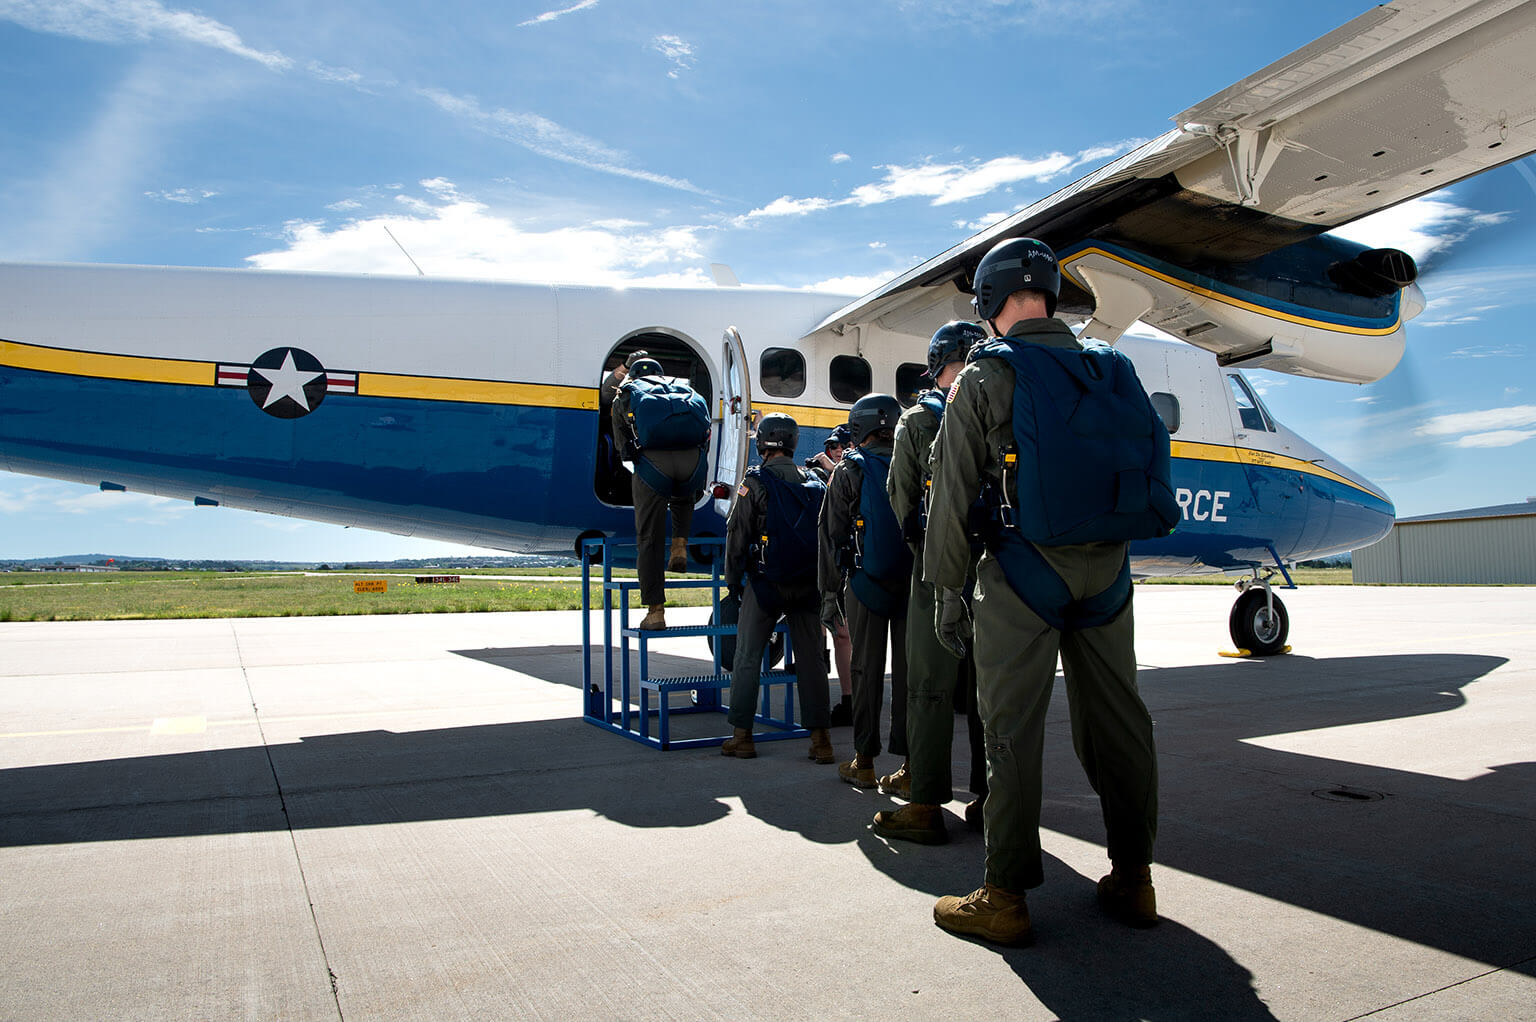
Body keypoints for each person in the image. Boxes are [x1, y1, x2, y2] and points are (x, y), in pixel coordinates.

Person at [925, 237, 1163, 946]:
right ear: (1051, 299)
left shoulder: (985, 375)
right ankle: (1135, 877)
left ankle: (1004, 895)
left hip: (1024, 573)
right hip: (1109, 576)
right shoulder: (1111, 367)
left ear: (992, 305)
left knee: (1010, 732)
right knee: (1119, 722)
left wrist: (947, 590)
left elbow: (951, 498)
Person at [872, 321, 989, 845]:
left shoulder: (919, 418)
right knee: (989, 690)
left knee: (928, 687)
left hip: (937, 566)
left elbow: (901, 499)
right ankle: (990, 802)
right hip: (995, 567)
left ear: (939, 364)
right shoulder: (1001, 400)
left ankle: (925, 802)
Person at [720, 412, 834, 764]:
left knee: (748, 656)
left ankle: (742, 736)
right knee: (812, 661)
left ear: (763, 442)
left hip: (766, 584)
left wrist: (732, 582)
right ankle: (820, 740)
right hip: (808, 585)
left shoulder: (754, 483)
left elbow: (736, 537)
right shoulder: (815, 482)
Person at [818, 393, 911, 788]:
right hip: (914, 586)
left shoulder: (849, 469)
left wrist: (828, 593)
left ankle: (865, 760)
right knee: (911, 675)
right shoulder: (917, 461)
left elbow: (830, 535)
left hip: (865, 583)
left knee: (866, 669)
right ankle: (910, 767)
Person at [612, 357, 709, 631]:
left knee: (649, 539)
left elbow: (623, 448)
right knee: (684, 494)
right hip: (692, 463)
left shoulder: (627, 395)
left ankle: (656, 611)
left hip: (654, 465)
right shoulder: (686, 392)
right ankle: (679, 544)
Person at [809, 423, 856, 726]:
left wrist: (833, 471)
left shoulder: (856, 474)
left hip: (850, 567)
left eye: (842, 447)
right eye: (832, 448)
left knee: (844, 635)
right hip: (830, 568)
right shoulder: (828, 477)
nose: (836, 453)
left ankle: (851, 701)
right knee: (836, 634)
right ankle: (847, 699)